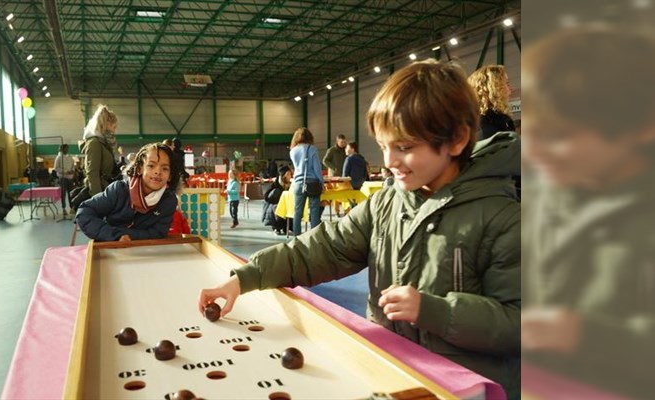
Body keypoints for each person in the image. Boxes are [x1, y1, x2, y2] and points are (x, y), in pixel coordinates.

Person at [198, 60, 520, 398]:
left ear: (456, 140)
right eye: (384, 146)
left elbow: (518, 324)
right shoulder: (386, 204)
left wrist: (435, 311)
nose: (390, 161)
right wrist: (247, 276)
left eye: (405, 147)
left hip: (463, 388)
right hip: (391, 372)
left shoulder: (504, 220)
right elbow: (322, 248)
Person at [520, 27, 655, 399]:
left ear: (640, 127)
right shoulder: (550, 197)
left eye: (559, 135)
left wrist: (587, 335)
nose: (534, 153)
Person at [76, 143, 180, 242]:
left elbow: (158, 233)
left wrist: (124, 234)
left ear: (170, 176)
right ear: (139, 168)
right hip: (112, 248)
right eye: (151, 166)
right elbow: (84, 212)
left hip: (147, 253)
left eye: (165, 168)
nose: (158, 172)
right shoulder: (119, 190)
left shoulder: (168, 201)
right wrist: (114, 235)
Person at [289, 127, 323, 236]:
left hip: (298, 183)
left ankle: (297, 237)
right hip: (313, 183)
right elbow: (317, 168)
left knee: (297, 212)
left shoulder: (293, 151)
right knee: (314, 212)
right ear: (310, 137)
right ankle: (313, 237)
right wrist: (321, 183)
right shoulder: (312, 149)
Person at [468, 65, 515, 140]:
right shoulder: (484, 128)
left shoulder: (500, 121)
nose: (510, 90)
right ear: (494, 88)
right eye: (507, 84)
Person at [262, 166, 292, 235]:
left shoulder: (290, 185)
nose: (290, 176)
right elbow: (266, 197)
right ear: (283, 175)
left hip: (286, 204)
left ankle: (286, 227)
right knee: (277, 208)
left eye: (290, 174)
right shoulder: (275, 185)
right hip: (274, 204)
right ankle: (277, 227)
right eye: (288, 174)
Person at [323, 133, 347, 217]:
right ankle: (337, 211)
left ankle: (347, 210)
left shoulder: (345, 150)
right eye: (341, 142)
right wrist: (334, 168)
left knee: (345, 193)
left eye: (344, 142)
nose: (343, 144)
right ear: (337, 141)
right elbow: (325, 161)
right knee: (336, 194)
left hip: (343, 176)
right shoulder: (332, 150)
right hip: (334, 176)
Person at [54, 145, 74, 213]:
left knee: (71, 193)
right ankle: (64, 209)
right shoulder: (58, 157)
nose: (67, 150)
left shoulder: (70, 157)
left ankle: (72, 208)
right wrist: (65, 171)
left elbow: (73, 165)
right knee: (63, 193)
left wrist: (72, 170)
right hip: (63, 178)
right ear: (62, 149)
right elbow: (56, 168)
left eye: (67, 148)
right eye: (66, 148)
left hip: (70, 178)